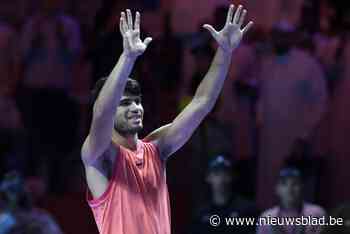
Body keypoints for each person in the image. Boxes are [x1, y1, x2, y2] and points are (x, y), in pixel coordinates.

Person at [81, 5, 253, 234]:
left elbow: (201, 103)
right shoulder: (99, 158)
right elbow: (102, 112)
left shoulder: (156, 149)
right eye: (125, 103)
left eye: (137, 101)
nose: (135, 108)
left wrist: (224, 51)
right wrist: (128, 57)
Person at [189, 155, 257, 234]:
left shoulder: (247, 210)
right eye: (216, 174)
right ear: (208, 177)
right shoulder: (201, 214)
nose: (221, 179)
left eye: (225, 174)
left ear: (232, 177)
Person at [257, 167, 326, 234]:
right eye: (284, 184)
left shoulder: (317, 213)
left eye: (295, 184)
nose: (289, 189)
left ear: (302, 187)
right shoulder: (266, 216)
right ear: (277, 189)